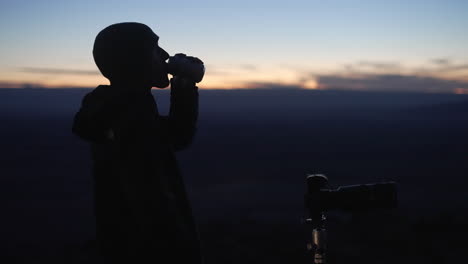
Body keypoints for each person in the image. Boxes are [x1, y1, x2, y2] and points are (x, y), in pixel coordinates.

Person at [72, 22, 203, 263]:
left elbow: (174, 137)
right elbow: (149, 197)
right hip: (147, 248)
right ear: (132, 59)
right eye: (154, 49)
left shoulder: (125, 106)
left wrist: (184, 86)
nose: (165, 55)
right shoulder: (128, 113)